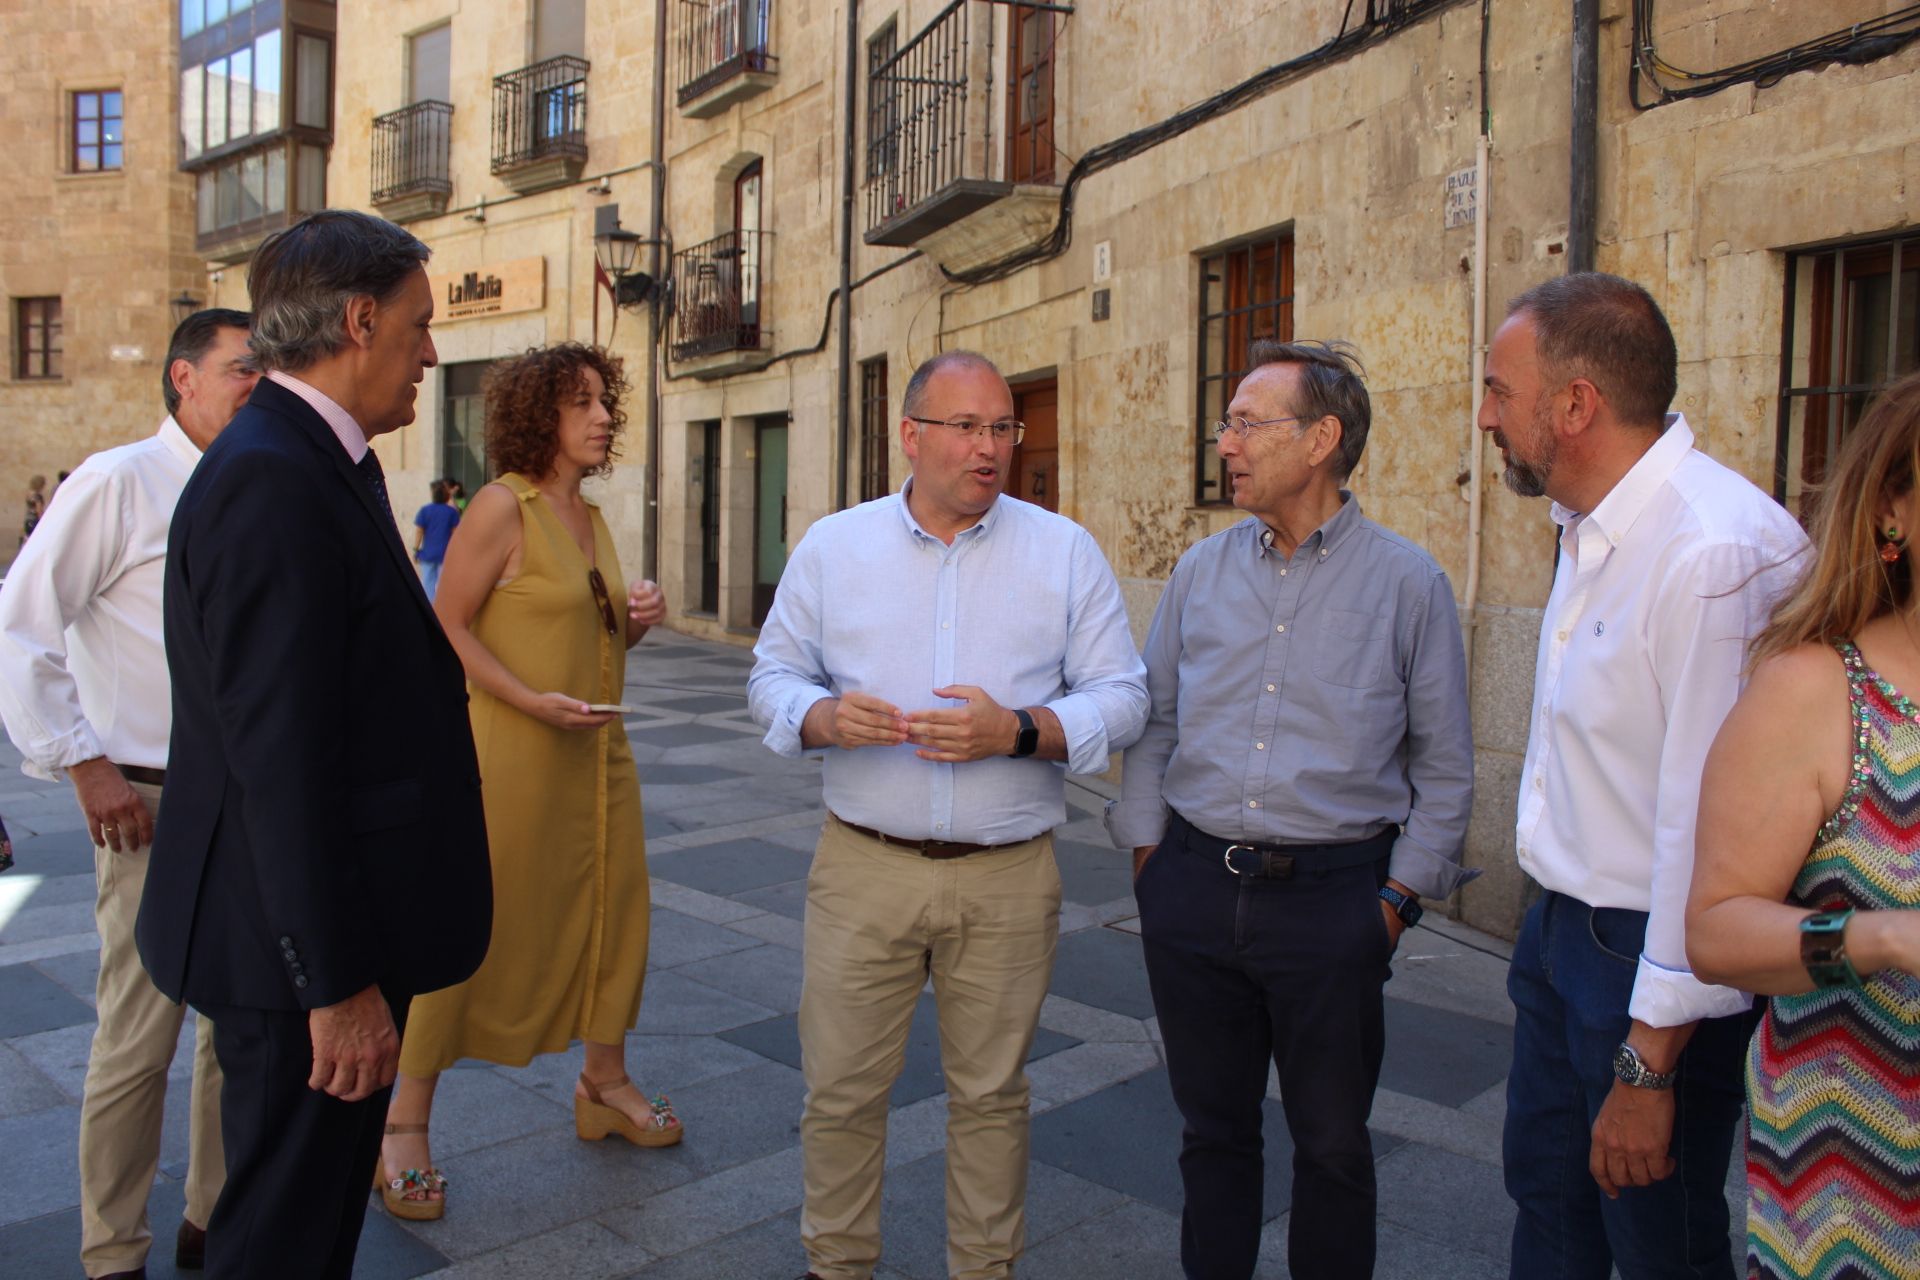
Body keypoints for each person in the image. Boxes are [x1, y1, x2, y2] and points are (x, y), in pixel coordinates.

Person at [134, 210, 492, 1280]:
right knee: (283, 1236)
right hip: (300, 958)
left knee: (309, 1221)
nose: (430, 352)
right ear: (360, 317)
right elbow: (277, 761)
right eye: (420, 326)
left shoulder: (310, 458)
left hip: (319, 931)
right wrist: (334, 986)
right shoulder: (271, 478)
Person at [749, 350, 1149, 1280]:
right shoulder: (834, 546)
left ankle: (984, 1269)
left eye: (1003, 428)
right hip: (864, 866)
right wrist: (816, 715)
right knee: (841, 1094)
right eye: (968, 428)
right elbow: (771, 672)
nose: (992, 449)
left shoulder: (1063, 551)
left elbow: (1123, 698)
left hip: (1007, 874)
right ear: (911, 435)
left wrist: (1019, 730)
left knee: (992, 1097)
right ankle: (836, 1266)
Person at [1108, 339, 1476, 1280]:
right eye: (1227, 421)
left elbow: (1444, 765)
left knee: (1334, 1147)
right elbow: (1155, 722)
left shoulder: (1409, 583)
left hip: (1336, 904)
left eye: (1244, 421)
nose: (1223, 439)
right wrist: (1151, 857)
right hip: (1193, 887)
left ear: (1322, 439)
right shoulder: (1199, 571)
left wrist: (1394, 903)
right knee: (1212, 1135)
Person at [1483, 272, 1808, 1280]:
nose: (1484, 414)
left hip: (1651, 968)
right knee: (1548, 1206)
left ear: (1573, 405)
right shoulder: (1590, 525)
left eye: (1500, 389)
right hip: (1560, 936)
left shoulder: (1712, 553)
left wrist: (1647, 1059)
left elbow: (1707, 830)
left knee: (1654, 1241)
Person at [380, 343, 678, 1221]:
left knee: (615, 913)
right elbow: (448, 627)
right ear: (535, 416)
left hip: (596, 760)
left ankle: (603, 1081)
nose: (600, 417)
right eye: (578, 403)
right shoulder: (499, 509)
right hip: (507, 760)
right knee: (475, 926)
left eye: (603, 402)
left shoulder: (591, 517)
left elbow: (601, 643)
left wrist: (637, 623)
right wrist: (527, 703)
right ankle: (404, 1124)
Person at [0, 308, 255, 1280]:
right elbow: (22, 624)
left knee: (235, 1024)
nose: (257, 384)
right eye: (241, 367)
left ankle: (210, 1214)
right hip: (145, 799)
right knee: (136, 1035)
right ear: (183, 377)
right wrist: (82, 759)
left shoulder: (249, 485)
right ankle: (111, 1249)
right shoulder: (118, 479)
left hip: (245, 801)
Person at [1686, 370, 1920, 1280]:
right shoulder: (1819, 691)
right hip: (1857, 1203)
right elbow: (1716, 928)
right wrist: (1885, 936)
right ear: (1892, 510)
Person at [412, 478, 460, 601]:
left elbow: (419, 532)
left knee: (428, 583)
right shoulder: (452, 512)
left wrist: (415, 550)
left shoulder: (425, 510)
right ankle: (442, 608)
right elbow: (456, 534)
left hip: (427, 554)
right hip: (446, 554)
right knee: (443, 584)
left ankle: (430, 609)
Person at [21, 473, 47, 545]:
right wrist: (43, 521)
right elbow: (39, 510)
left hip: (28, 519)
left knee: (28, 538)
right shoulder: (38, 496)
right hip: (35, 520)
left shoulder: (29, 494)